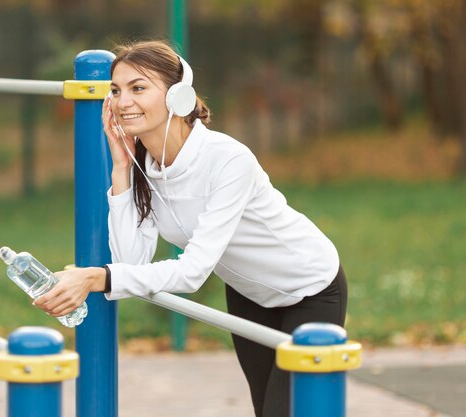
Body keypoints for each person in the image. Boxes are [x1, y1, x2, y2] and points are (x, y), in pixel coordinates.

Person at [34, 40, 347, 417]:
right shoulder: (142, 166)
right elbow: (132, 260)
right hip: (250, 293)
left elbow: (193, 272)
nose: (122, 101)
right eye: (116, 91)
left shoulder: (228, 159)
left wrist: (96, 278)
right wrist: (121, 170)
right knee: (266, 410)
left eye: (138, 88)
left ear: (178, 97)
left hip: (310, 286)